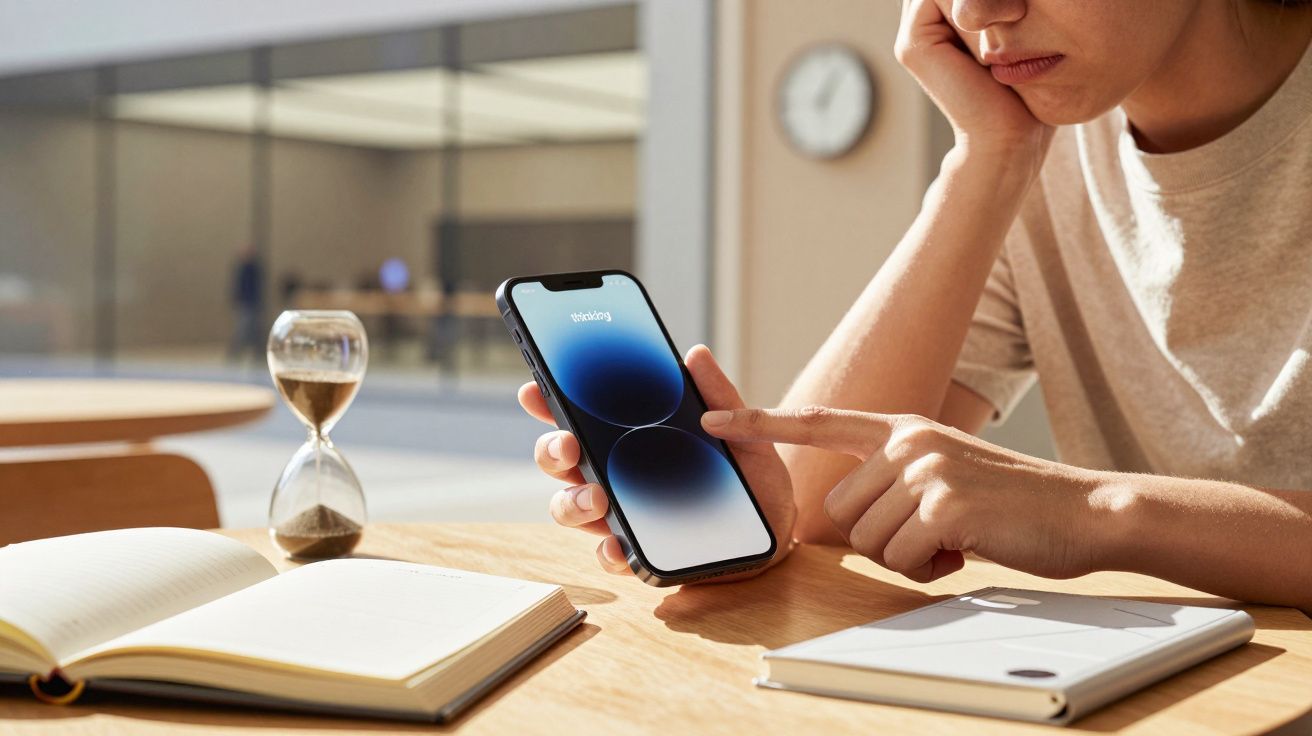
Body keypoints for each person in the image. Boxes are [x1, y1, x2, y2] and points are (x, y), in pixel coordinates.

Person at [519, 0, 1312, 612]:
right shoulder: (1044, 153)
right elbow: (825, 505)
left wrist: (1096, 510)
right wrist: (989, 159)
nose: (978, 11)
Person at [227, 244, 263, 364]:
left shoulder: (254, 269)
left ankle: (257, 352)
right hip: (245, 303)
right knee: (243, 328)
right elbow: (239, 286)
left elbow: (256, 287)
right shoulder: (243, 269)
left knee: (253, 329)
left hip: (252, 303)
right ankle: (235, 352)